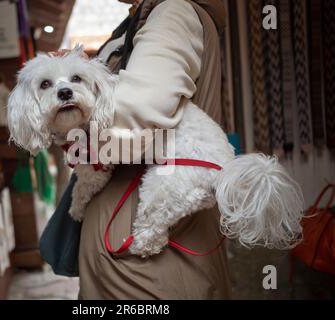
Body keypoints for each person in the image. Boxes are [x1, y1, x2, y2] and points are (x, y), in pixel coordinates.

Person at [71, 0, 231, 299]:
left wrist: (69, 113)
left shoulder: (173, 12)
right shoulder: (141, 19)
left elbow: (137, 113)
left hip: (146, 268)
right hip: (135, 259)